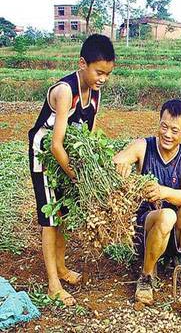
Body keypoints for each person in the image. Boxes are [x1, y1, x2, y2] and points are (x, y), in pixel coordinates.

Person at [28, 34, 115, 305]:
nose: (102, 78)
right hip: (45, 154)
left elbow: (88, 136)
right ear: (82, 63)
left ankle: (62, 268)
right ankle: (53, 283)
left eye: (108, 74)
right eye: (99, 72)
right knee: (50, 219)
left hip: (68, 157)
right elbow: (56, 145)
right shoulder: (66, 91)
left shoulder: (95, 93)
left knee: (64, 214)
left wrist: (92, 165)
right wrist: (76, 176)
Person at [113, 99, 181, 305]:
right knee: (167, 215)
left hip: (174, 234)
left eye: (174, 130)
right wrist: (122, 168)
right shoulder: (143, 146)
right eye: (164, 127)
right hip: (146, 227)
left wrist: (163, 192)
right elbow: (116, 161)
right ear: (159, 123)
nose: (167, 134)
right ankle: (146, 277)